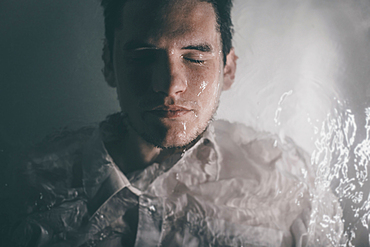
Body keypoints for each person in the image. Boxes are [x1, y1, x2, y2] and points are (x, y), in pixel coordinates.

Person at [3, 0, 344, 246]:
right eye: (142, 55)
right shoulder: (30, 183)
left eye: (195, 57)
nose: (169, 85)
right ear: (109, 63)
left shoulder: (287, 179)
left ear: (228, 68)